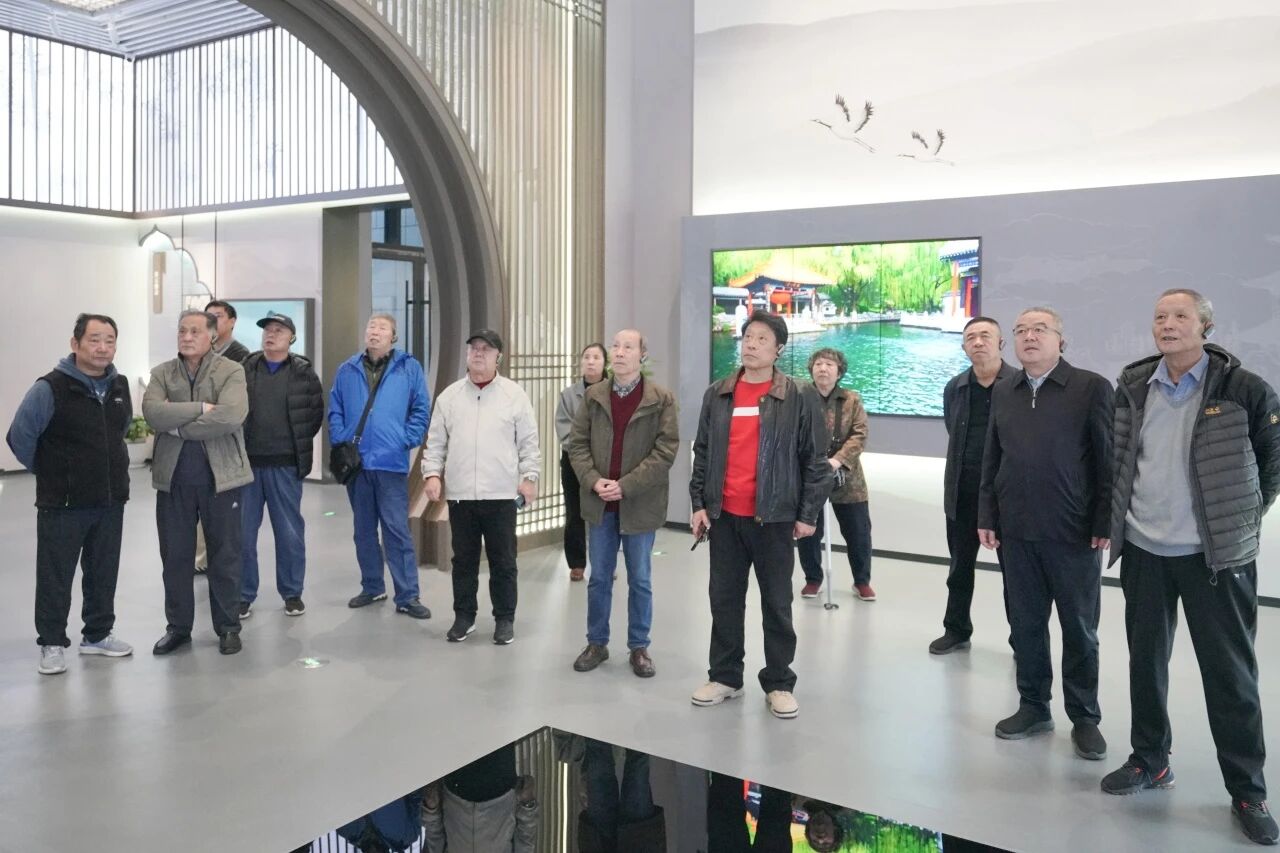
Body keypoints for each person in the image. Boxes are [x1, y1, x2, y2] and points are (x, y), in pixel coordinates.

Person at [1101, 289, 1280, 846]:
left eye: (1180, 316)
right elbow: (1119, 457)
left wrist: (1238, 518)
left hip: (1215, 558)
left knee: (1230, 676)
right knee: (1145, 663)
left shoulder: (1243, 388)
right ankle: (1150, 759)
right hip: (1144, 550)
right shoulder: (1133, 385)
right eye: (1160, 316)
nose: (1168, 324)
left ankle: (1248, 790)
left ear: (1205, 326)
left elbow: (1272, 461)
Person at [977, 306, 1112, 759]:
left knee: (1079, 629)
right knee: (1026, 624)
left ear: (1061, 340)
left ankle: (1085, 717)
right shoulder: (1005, 390)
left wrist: (1104, 520)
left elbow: (1107, 459)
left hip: (1073, 532)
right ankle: (1034, 706)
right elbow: (992, 458)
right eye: (1021, 330)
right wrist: (987, 514)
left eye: (1040, 329)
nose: (1029, 337)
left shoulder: (1091, 388)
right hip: (1015, 530)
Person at [689, 309, 831, 720]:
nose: (751, 344)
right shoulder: (717, 393)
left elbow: (815, 461)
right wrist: (698, 504)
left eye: (762, 339)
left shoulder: (798, 395)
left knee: (777, 603)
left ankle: (779, 682)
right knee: (724, 600)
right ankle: (725, 677)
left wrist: (807, 514)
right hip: (724, 517)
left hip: (775, 518)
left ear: (779, 349)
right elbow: (703, 452)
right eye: (748, 337)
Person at [6, 313, 134, 675]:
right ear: (75, 344)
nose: (102, 347)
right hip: (62, 504)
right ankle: (51, 642)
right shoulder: (50, 388)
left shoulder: (120, 385)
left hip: (110, 499)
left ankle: (97, 634)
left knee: (103, 571)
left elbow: (120, 430)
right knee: (55, 576)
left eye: (109, 340)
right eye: (94, 339)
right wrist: (52, 472)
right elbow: (20, 437)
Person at [568, 330, 678, 678]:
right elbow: (577, 444)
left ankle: (639, 646)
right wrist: (593, 480)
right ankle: (596, 643)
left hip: (639, 503)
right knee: (599, 578)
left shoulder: (660, 399)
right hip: (600, 503)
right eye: (615, 346)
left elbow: (665, 451)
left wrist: (626, 486)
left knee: (640, 579)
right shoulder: (594, 396)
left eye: (628, 347)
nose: (619, 352)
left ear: (641, 355)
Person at [143, 309, 253, 656]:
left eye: (194, 331)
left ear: (212, 336)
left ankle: (228, 627)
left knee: (225, 555)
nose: (186, 337)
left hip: (222, 479)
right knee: (175, 557)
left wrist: (177, 428)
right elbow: (153, 412)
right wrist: (202, 408)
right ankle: (178, 628)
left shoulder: (231, 371)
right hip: (173, 480)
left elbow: (231, 415)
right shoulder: (163, 373)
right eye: (182, 331)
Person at [422, 329, 541, 645]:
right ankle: (464, 617)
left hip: (501, 494)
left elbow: (529, 442)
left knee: (504, 561)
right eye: (473, 348)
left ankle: (504, 619)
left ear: (498, 356)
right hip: (461, 495)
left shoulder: (514, 395)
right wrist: (432, 474)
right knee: (463, 560)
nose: (478, 353)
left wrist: (529, 477)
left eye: (486, 349)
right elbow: (436, 442)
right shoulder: (449, 397)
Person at [329, 312, 432, 619]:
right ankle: (372, 586)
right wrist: (341, 437)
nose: (375, 331)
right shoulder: (347, 369)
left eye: (382, 328)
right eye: (371, 326)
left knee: (396, 530)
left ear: (393, 336)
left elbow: (421, 408)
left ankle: (408, 595)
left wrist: (406, 439)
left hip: (391, 463)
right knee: (363, 531)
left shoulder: (409, 367)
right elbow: (335, 408)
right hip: (357, 464)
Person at [930, 316, 1018, 655]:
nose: (978, 342)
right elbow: (953, 430)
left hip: (1007, 496)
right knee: (959, 568)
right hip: (962, 493)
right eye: (971, 337)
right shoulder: (955, 387)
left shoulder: (1019, 385)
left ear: (1001, 343)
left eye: (985, 336)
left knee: (1016, 575)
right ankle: (956, 630)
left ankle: (1022, 640)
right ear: (964, 346)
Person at [238, 312, 324, 618]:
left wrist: (291, 445)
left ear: (292, 338)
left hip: (285, 466)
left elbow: (314, 415)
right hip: (247, 466)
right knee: (243, 534)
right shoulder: (245, 369)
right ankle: (243, 594)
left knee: (289, 533)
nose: (270, 335)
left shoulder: (304, 374)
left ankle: (292, 592)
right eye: (267, 330)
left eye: (278, 330)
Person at [795, 347, 875, 601]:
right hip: (810, 476)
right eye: (818, 364)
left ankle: (861, 581)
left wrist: (837, 461)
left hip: (848, 478)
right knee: (808, 529)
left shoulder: (852, 399)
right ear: (811, 369)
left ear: (839, 371)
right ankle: (813, 579)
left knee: (858, 532)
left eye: (829, 365)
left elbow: (859, 434)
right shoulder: (799, 398)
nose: (823, 368)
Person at [421, 743, 537, 853]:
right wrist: (527, 805)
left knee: (457, 734)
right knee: (497, 732)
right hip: (499, 790)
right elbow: (525, 841)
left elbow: (435, 841)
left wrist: (431, 809)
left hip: (456, 792)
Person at [556, 343, 609, 582]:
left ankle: (604, 563)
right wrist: (583, 451)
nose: (590, 361)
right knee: (574, 512)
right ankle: (576, 563)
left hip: (605, 462)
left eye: (596, 357)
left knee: (605, 514)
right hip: (573, 461)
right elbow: (564, 429)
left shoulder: (615, 391)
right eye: (586, 357)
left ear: (604, 363)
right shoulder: (569, 394)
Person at [578, 738, 666, 853]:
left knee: (602, 762)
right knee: (636, 768)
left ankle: (603, 727)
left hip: (605, 841)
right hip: (641, 838)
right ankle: (635, 728)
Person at [205, 299, 249, 363]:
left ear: (232, 322)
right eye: (208, 317)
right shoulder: (201, 350)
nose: (212, 320)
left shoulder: (242, 354)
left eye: (218, 316)